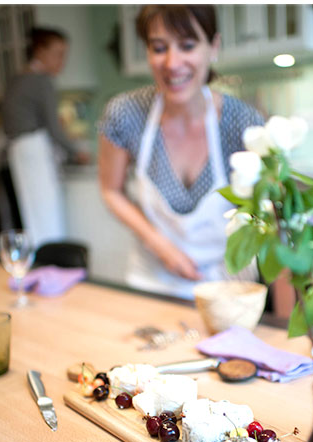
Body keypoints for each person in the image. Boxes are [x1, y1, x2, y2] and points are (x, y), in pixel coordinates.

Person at [98, 5, 262, 299]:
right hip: (151, 284)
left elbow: (272, 220)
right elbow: (111, 190)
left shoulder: (245, 123)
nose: (172, 63)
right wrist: (161, 246)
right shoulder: (126, 114)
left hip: (228, 291)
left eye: (187, 45)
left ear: (213, 47)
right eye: (159, 48)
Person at [3, 27, 89, 248]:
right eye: (58, 53)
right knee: (48, 216)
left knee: (34, 216)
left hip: (20, 153)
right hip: (34, 151)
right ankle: (53, 268)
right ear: (40, 51)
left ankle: (43, 265)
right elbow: (54, 127)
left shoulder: (17, 78)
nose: (63, 60)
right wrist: (77, 152)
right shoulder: (41, 80)